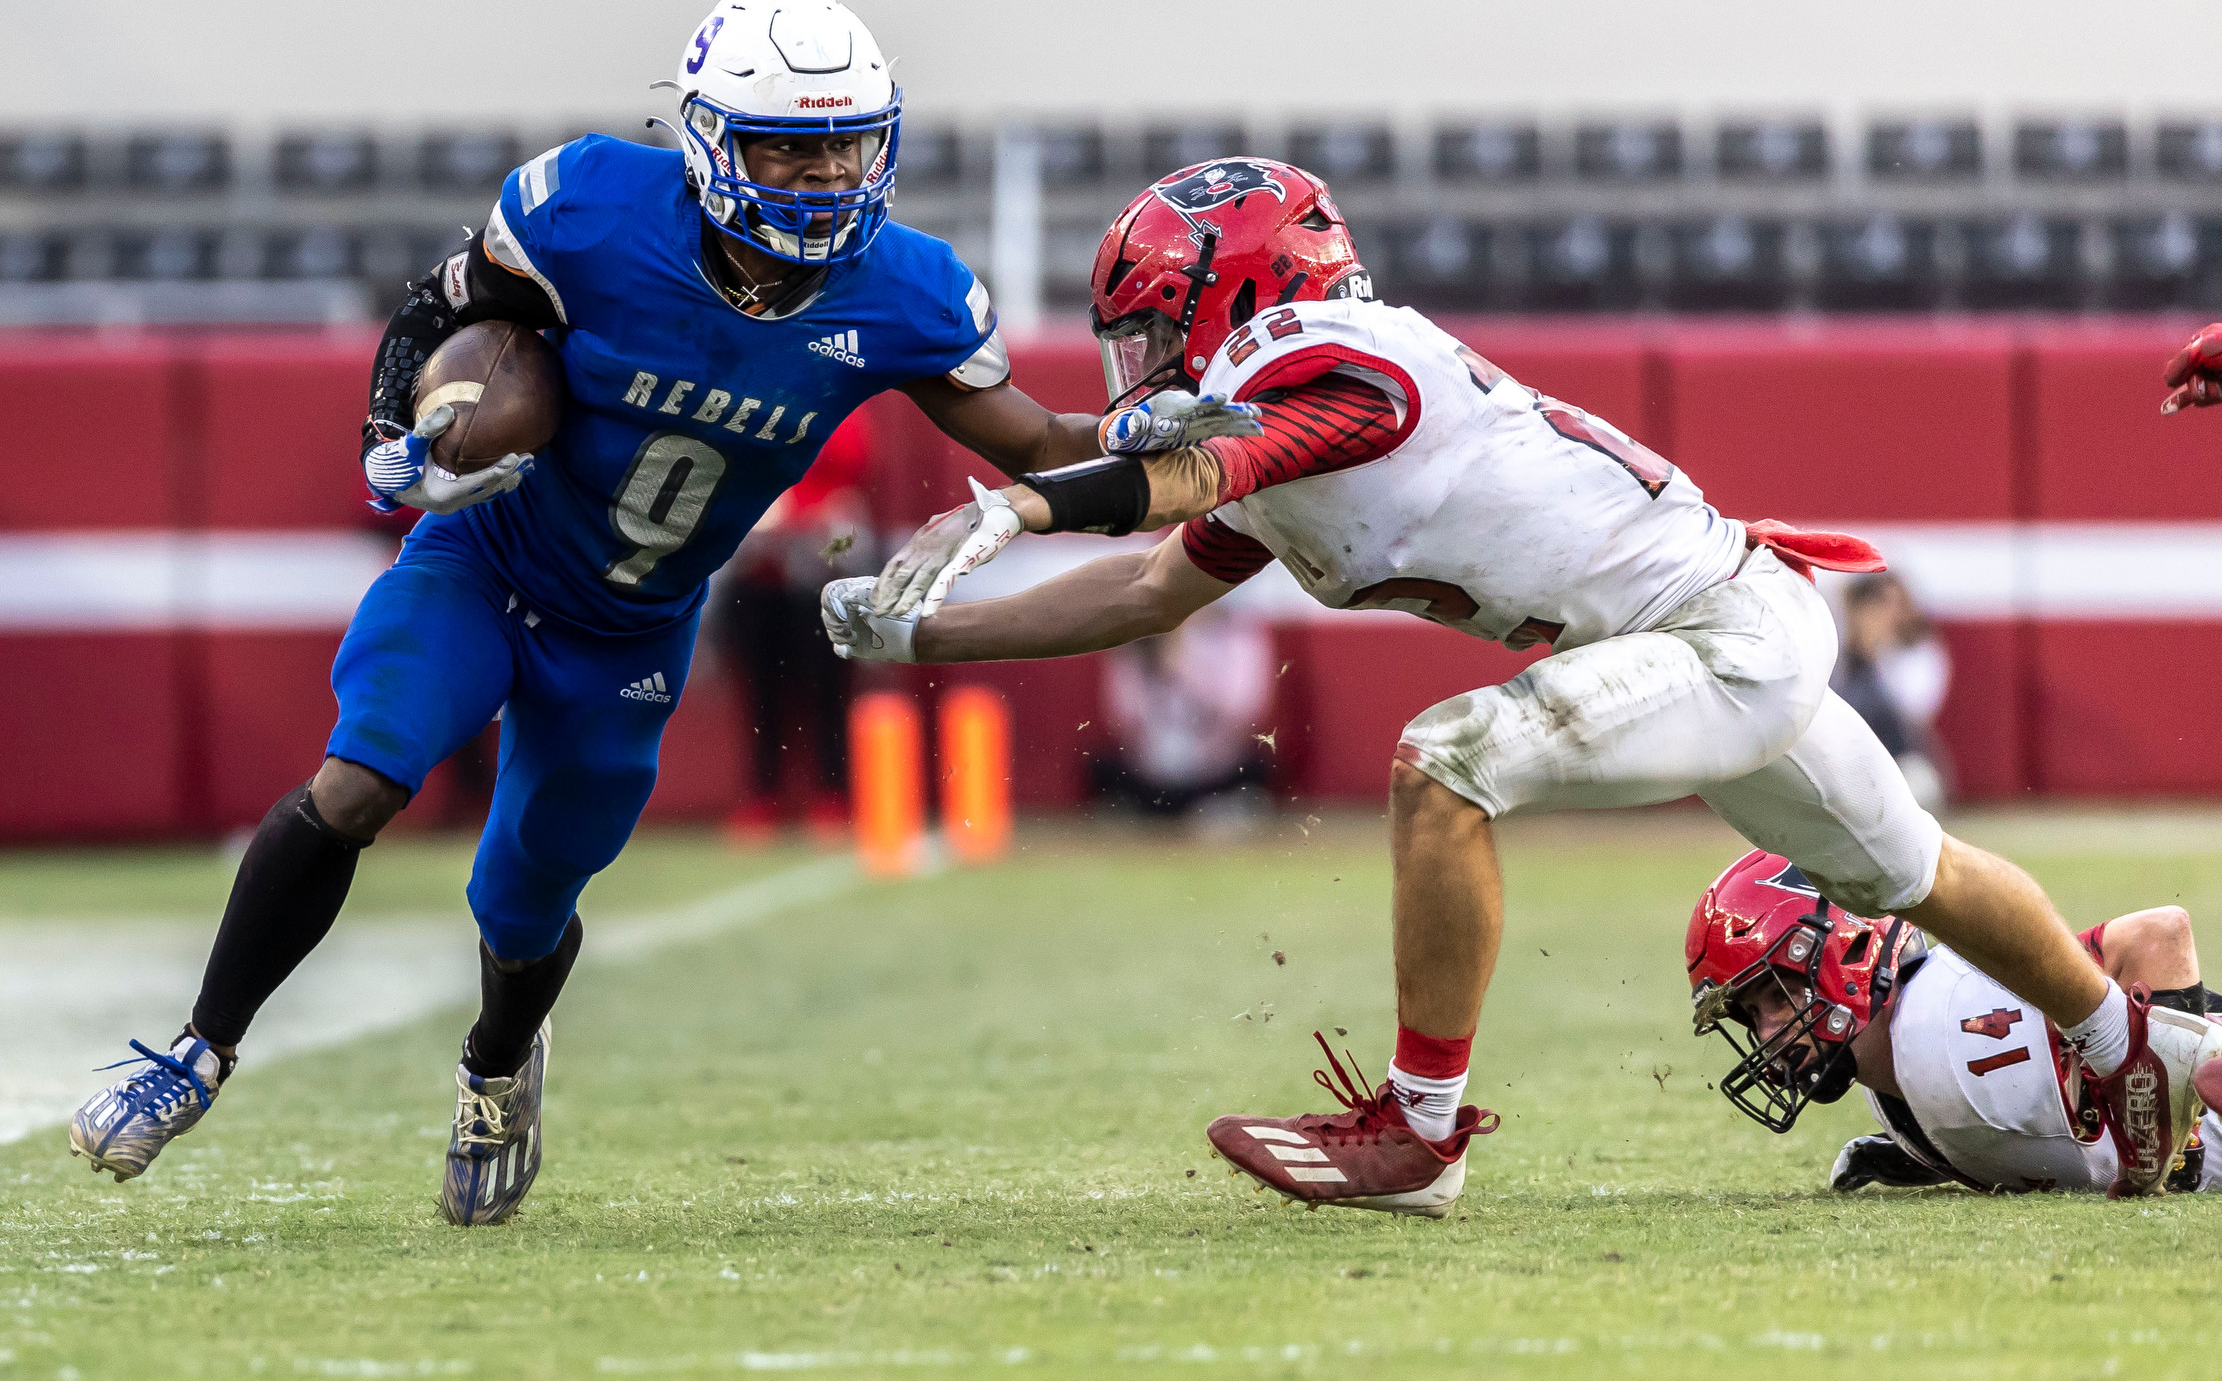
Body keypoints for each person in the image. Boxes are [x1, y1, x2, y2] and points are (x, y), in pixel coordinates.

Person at [824, 155, 2222, 1217]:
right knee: (1906, 870)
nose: (1139, 360)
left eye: (1154, 323)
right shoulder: (1300, 422)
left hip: (1711, 635)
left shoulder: (1339, 374)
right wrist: (924, 639)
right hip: (1710, 628)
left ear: (1239, 300)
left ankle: (1420, 1131)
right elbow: (1148, 589)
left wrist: (1015, 513)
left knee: (1445, 760)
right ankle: (2121, 1044)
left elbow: (1191, 474)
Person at [66, 0, 1254, 1225]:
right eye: (790, 147)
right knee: (361, 775)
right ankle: (196, 1053)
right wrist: (390, 435)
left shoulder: (902, 293)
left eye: (848, 143)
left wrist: (1168, 438)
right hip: (485, 561)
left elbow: (1041, 440)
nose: (825, 176)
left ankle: (494, 1063)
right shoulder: (589, 208)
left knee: (525, 904)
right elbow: (445, 305)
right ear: (705, 141)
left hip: (632, 626)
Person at [1689, 848, 2222, 1195]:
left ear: (1842, 950)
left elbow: (2159, 935)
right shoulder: (1893, 1080)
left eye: (1775, 996)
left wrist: (2177, 1142)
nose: (1765, 1034)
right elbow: (2030, 1102)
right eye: (1750, 1015)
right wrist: (1935, 1154)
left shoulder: (1948, 1011)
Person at [714, 409, 875, 841]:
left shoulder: (844, 397)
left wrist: (807, 520)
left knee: (827, 687)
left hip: (820, 562)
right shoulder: (747, 392)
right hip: (757, 565)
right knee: (761, 690)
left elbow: (852, 465)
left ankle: (832, 794)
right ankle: (761, 796)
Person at [1093, 607, 1273, 822]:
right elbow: (1124, 718)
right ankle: (1142, 806)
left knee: (1258, 763)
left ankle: (1220, 804)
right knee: (1101, 765)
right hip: (1151, 761)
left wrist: (1181, 670)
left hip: (1216, 758)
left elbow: (1242, 712)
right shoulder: (1138, 640)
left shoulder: (1238, 634)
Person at [1831, 573, 1950, 810]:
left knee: (1918, 785)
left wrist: (1875, 656)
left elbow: (1914, 714)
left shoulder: (1914, 653)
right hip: (1845, 766)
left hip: (1899, 764)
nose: (1888, 615)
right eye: (1879, 605)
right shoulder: (1837, 653)